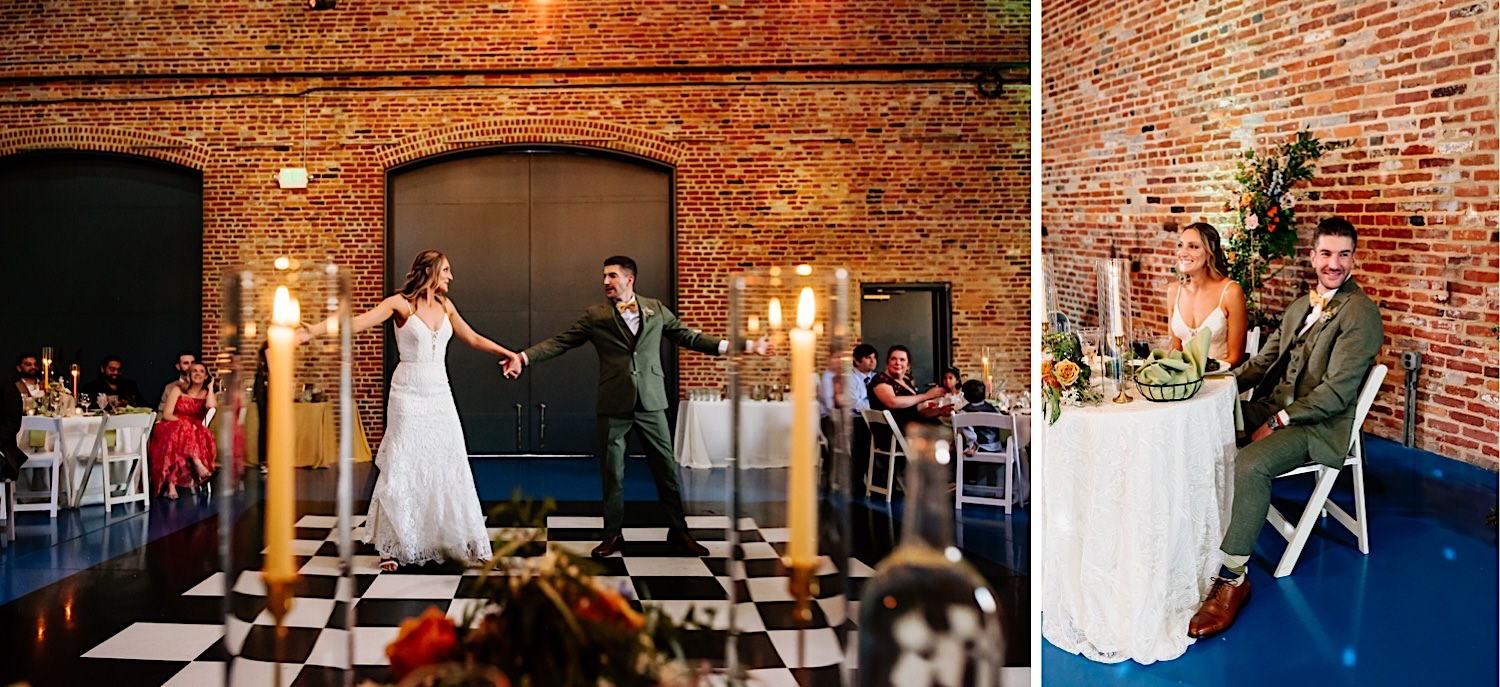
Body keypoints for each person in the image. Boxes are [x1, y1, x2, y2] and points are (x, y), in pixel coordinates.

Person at [1187, 217, 1383, 638]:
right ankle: (1206, 533)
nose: (1334, 264)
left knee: (1252, 464)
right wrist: (1209, 384)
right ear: (1313, 257)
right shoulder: (1301, 306)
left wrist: (1278, 421)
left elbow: (1337, 393)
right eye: (1326, 253)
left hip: (1320, 425)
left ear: (1353, 258)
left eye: (1343, 254)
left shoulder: (1361, 314)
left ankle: (1233, 580)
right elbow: (1261, 364)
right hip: (1277, 406)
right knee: (1205, 435)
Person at [508, 256, 744, 559]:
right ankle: (612, 534)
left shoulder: (655, 308)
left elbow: (688, 336)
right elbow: (561, 341)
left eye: (612, 276)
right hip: (614, 403)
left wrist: (732, 346)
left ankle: (679, 530)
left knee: (665, 470)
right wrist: (523, 358)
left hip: (651, 403)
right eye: (604, 276)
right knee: (612, 473)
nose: (606, 281)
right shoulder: (595, 316)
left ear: (629, 280)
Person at [300, 249, 521, 571]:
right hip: (407, 393)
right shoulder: (399, 304)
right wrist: (312, 331)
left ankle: (470, 541)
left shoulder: (446, 305)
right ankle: (394, 546)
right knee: (403, 463)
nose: (451, 276)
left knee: (450, 462)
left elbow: (471, 337)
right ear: (429, 271)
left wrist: (509, 353)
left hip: (439, 392)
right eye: (446, 270)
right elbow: (357, 323)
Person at [1167, 222, 1248, 367]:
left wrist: (1204, 373)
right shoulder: (1174, 292)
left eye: (1193, 246)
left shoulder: (1231, 292)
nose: (1182, 253)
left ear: (1210, 252)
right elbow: (1175, 350)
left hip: (1220, 380)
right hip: (1184, 383)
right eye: (1181, 245)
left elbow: (1235, 357)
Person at [146, 362, 218, 500]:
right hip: (170, 424)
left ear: (206, 376)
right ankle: (197, 463)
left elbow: (211, 406)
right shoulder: (177, 390)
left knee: (183, 435)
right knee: (179, 433)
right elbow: (167, 414)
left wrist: (210, 387)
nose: (197, 373)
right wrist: (183, 424)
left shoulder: (206, 393)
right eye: (194, 371)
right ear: (189, 375)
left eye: (201, 371)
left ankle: (172, 484)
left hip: (194, 428)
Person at [818, 343, 880, 489]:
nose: (873, 361)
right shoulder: (846, 378)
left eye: (874, 358)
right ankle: (862, 480)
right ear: (857, 361)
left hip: (873, 418)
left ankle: (882, 478)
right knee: (862, 433)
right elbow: (852, 403)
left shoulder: (877, 378)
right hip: (850, 419)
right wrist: (874, 408)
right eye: (868, 358)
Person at [868, 345, 952, 433]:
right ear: (887, 363)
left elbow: (917, 410)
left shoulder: (907, 380)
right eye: (893, 359)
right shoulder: (880, 379)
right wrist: (926, 395)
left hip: (911, 426)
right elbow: (892, 402)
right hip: (894, 432)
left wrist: (939, 411)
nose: (897, 362)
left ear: (908, 365)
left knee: (951, 431)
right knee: (945, 436)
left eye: (902, 360)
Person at [79, 356, 147, 410]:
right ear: (102, 369)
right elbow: (85, 408)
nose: (116, 373)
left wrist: (127, 404)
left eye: (119, 370)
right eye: (112, 369)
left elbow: (143, 405)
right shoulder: (91, 388)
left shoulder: (129, 385)